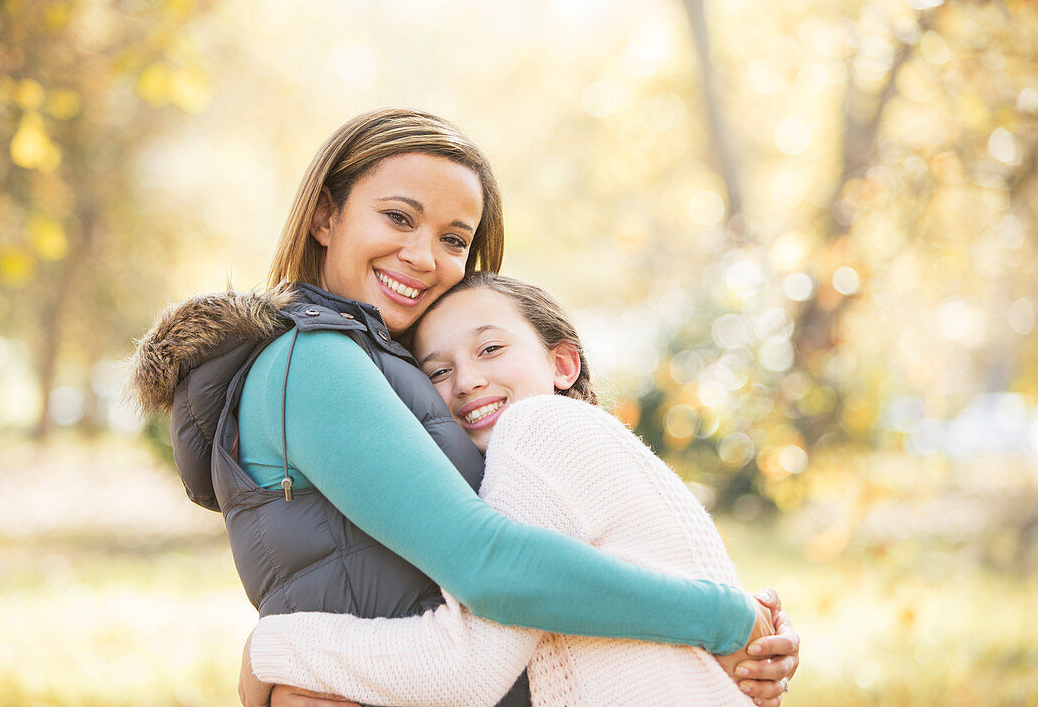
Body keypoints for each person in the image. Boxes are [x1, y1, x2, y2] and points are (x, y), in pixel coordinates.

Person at [129, 109, 798, 707]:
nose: (423, 257)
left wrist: (744, 643)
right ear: (325, 216)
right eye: (398, 217)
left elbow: (563, 546)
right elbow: (489, 566)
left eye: (454, 238)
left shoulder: (394, 370)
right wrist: (723, 619)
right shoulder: (316, 362)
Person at [238, 273, 798, 707]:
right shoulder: (588, 445)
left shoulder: (540, 431)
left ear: (562, 363)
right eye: (437, 371)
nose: (467, 381)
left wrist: (270, 651)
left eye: (490, 350)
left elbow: (468, 669)